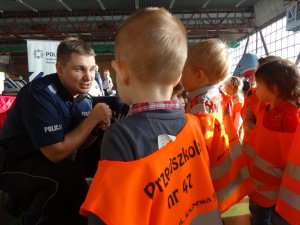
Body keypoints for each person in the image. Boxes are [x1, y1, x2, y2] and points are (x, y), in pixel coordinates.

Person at [80, 8, 223, 225]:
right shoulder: (193, 125)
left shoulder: (121, 136)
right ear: (177, 77)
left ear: (123, 72)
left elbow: (107, 216)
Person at [0, 37, 112, 225]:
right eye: (80, 69)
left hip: (42, 161)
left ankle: (19, 203)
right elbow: (56, 152)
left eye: (92, 69)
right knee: (65, 180)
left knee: (78, 177)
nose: (89, 77)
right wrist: (93, 118)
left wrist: (94, 129)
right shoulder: (39, 94)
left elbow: (79, 142)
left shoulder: (84, 98)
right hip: (13, 163)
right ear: (60, 69)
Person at [181, 38, 253, 213]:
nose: (179, 76)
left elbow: (199, 145)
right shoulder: (217, 95)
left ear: (198, 75)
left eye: (182, 71)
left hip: (211, 178)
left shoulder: (202, 105)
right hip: (226, 171)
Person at [244, 59, 300, 225]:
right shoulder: (268, 109)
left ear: (275, 89)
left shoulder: (291, 117)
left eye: (259, 84)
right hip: (260, 186)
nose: (255, 88)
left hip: (276, 192)